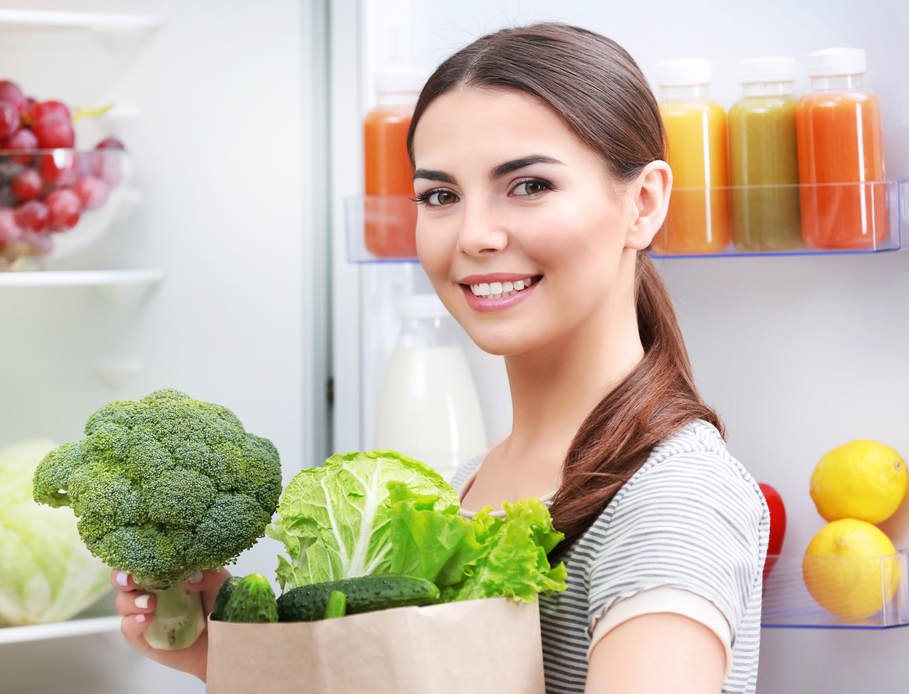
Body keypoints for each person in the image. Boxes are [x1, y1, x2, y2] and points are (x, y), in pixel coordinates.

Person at [113, 22, 768, 694]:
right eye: (441, 196)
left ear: (644, 204)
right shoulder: (471, 483)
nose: (475, 235)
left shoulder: (672, 498)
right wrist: (229, 656)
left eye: (530, 185)